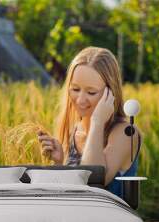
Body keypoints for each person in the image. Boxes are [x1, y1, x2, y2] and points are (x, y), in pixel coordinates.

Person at [37, 46, 142, 198]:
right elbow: (72, 196)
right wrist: (59, 164)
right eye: (75, 89)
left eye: (91, 92)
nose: (80, 100)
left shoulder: (125, 133)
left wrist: (97, 122)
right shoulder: (72, 131)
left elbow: (93, 181)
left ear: (110, 93)